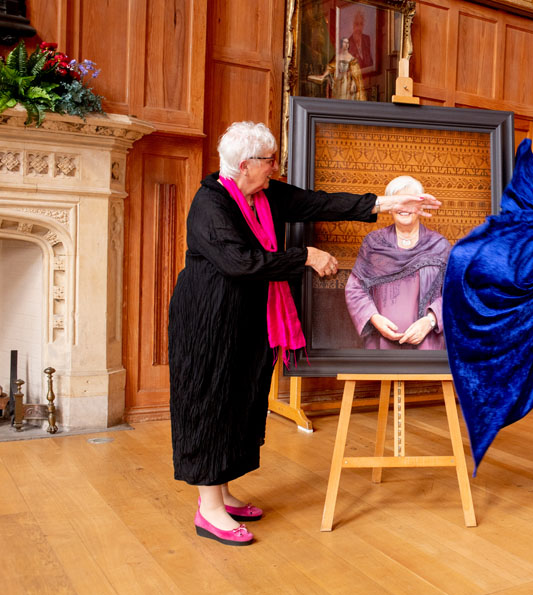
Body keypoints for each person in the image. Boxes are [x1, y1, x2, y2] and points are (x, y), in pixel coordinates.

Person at [168, 122, 439, 546]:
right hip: (209, 318)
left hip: (247, 317)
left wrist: (391, 203)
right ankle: (209, 509)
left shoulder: (265, 194)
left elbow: (320, 203)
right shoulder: (211, 202)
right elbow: (241, 262)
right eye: (269, 160)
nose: (275, 167)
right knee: (211, 401)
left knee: (239, 401)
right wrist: (305, 256)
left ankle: (220, 493)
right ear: (244, 165)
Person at [345, 176, 451, 350]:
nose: (404, 209)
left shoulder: (439, 245)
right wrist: (373, 318)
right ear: (389, 208)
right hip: (381, 343)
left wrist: (430, 321)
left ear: (421, 205)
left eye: (410, 202)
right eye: (399, 202)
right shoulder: (373, 243)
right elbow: (355, 288)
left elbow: (453, 292)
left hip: (428, 344)